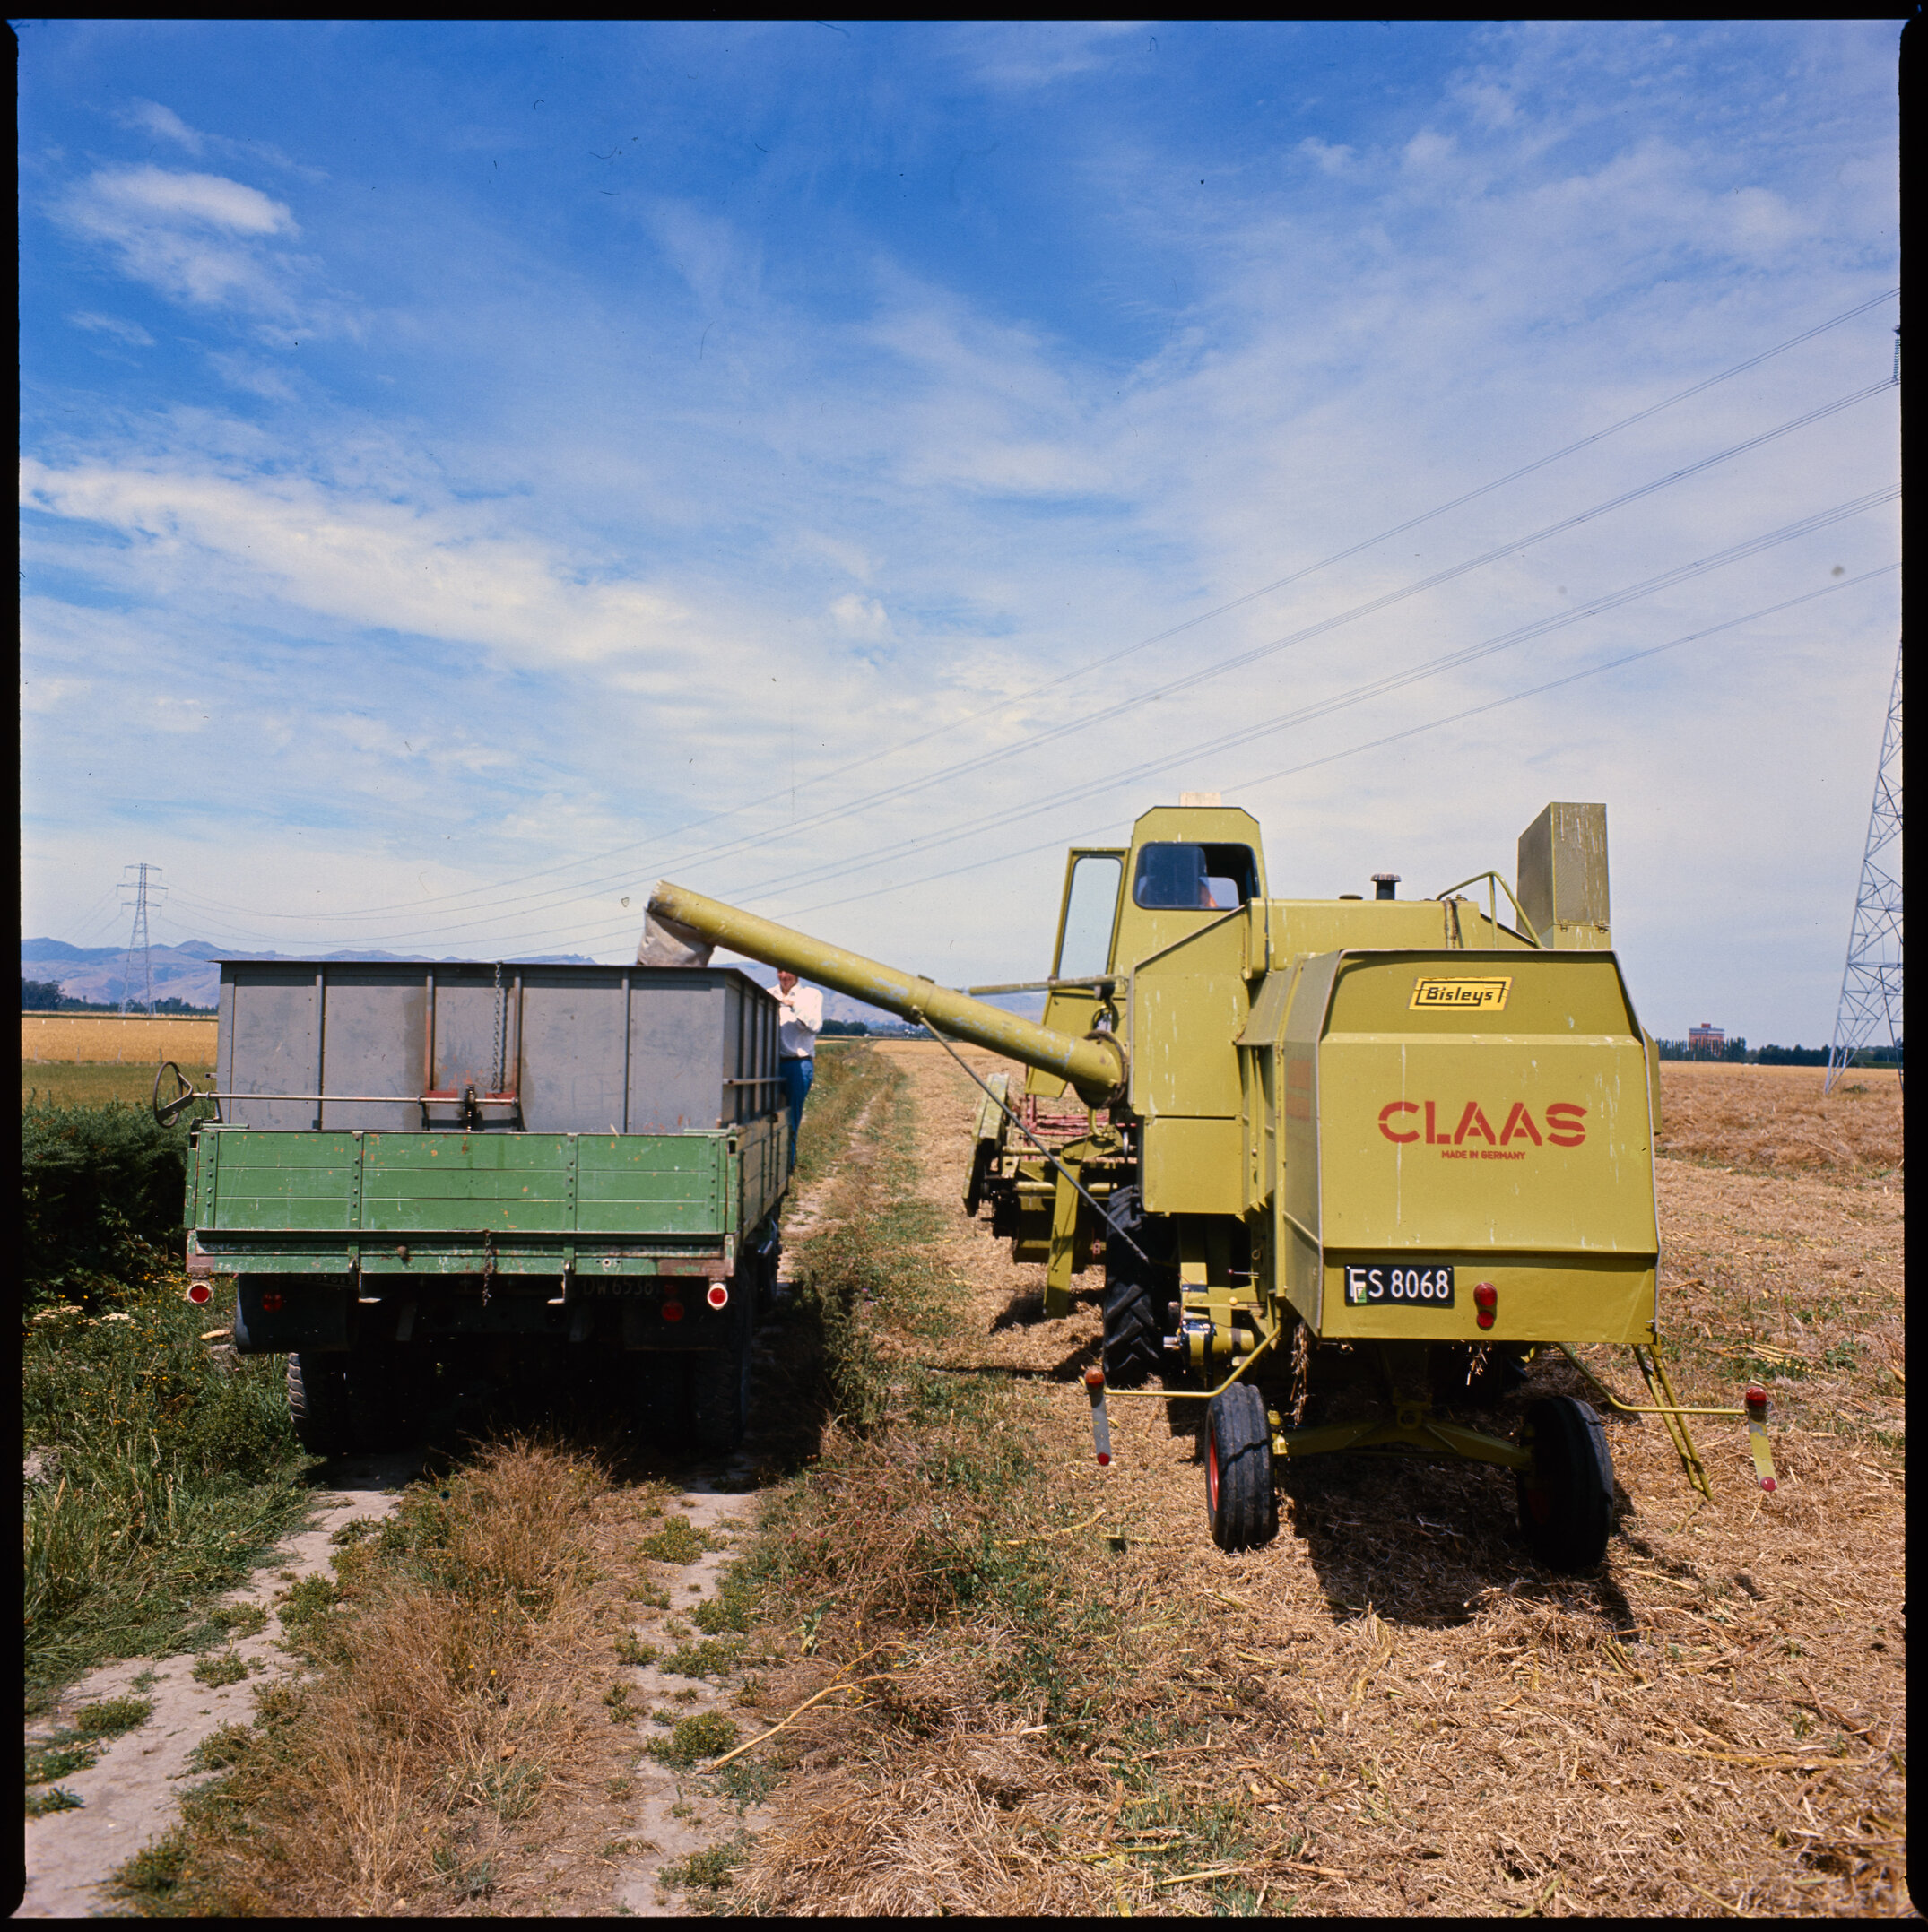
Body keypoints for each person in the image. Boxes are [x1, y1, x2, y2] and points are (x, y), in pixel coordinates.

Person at [775, 970, 822, 1173]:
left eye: (789, 971)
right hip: (771, 1063)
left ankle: (787, 1168)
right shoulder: (769, 993)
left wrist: (793, 1006)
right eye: (780, 971)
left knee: (792, 1117)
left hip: (798, 1064)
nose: (784, 975)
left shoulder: (811, 996)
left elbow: (815, 1026)